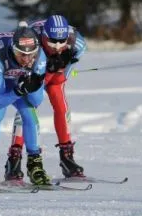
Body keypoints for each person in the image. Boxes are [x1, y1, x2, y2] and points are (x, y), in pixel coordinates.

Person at [5, 15, 87, 180]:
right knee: (27, 108)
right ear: (43, 36)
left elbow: (64, 74)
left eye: (61, 41)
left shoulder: (76, 42)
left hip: (56, 77)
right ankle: (14, 159)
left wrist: (64, 61)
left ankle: (67, 157)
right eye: (51, 41)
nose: (57, 46)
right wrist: (46, 70)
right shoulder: (32, 36)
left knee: (61, 106)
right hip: (34, 72)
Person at [0, 22, 50, 188]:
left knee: (29, 111)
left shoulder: (40, 57)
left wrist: (30, 87)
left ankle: (35, 164)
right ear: (13, 49)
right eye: (21, 55)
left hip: (13, 78)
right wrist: (18, 92)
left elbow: (37, 101)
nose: (27, 60)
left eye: (31, 55)